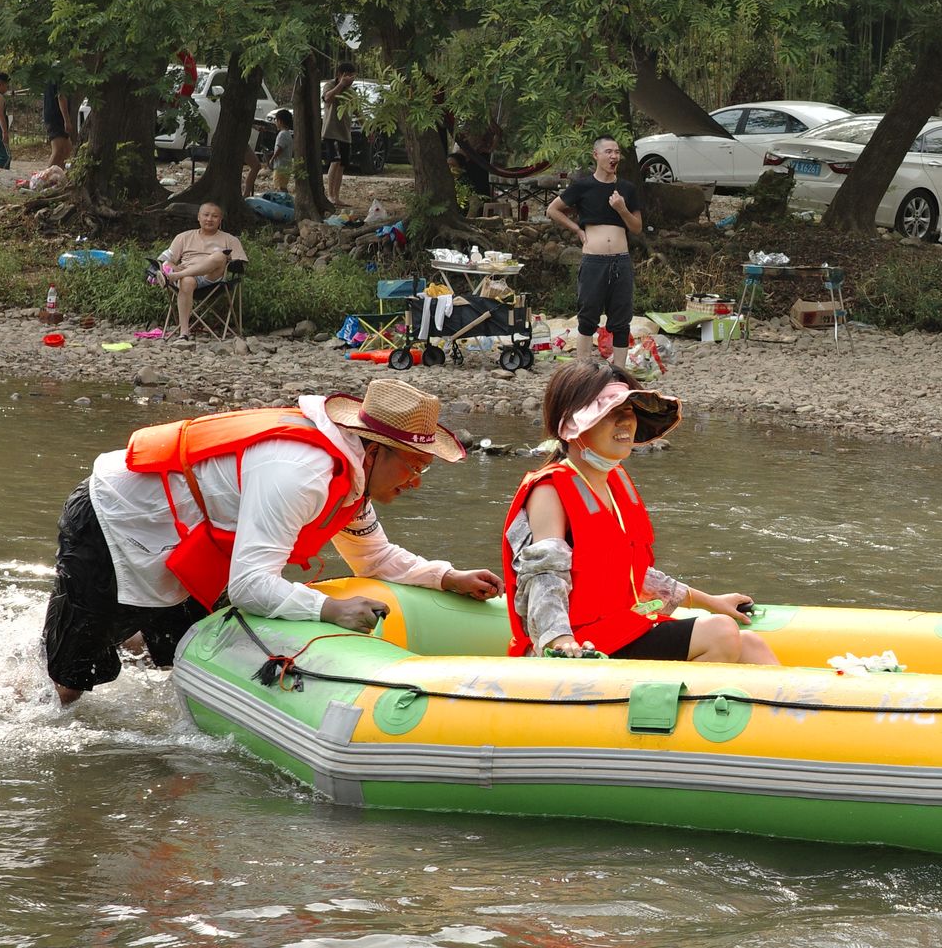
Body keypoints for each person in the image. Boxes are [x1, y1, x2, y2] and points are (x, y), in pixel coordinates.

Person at [41, 379, 504, 707]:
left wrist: (446, 577)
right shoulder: (303, 474)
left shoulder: (351, 480)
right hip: (115, 520)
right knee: (70, 682)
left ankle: (129, 636)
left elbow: (375, 557)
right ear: (375, 450)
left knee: (170, 648)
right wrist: (331, 609)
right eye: (415, 466)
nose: (417, 482)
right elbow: (249, 585)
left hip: (184, 537)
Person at [502, 361, 775, 664]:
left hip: (621, 626)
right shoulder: (549, 491)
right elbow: (544, 577)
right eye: (611, 413)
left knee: (752, 646)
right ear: (572, 425)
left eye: (629, 411)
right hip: (582, 644)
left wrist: (711, 602)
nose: (626, 422)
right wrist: (561, 642)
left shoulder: (614, 482)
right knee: (721, 632)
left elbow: (631, 573)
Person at [545, 135, 643, 360]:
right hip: (593, 261)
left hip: (621, 261)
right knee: (588, 317)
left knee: (621, 320)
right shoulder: (583, 186)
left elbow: (637, 227)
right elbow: (553, 209)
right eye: (609, 151)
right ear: (596, 155)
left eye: (617, 152)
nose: (614, 156)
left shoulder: (627, 189)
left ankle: (619, 372)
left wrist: (621, 209)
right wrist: (577, 230)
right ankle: (583, 369)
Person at [148, 201, 247, 338]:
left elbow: (241, 265)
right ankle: (184, 333)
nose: (209, 219)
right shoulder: (183, 237)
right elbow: (163, 259)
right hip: (188, 279)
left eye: (214, 216)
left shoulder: (230, 240)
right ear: (198, 217)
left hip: (213, 278)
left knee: (219, 256)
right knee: (186, 281)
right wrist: (173, 266)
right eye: (206, 215)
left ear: (220, 219)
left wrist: (229, 261)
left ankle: (174, 276)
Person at [320, 61, 357, 206]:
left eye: (352, 77)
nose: (350, 79)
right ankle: (330, 195)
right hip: (331, 131)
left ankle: (336, 195)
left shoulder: (352, 92)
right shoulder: (330, 86)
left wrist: (368, 127)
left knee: (342, 165)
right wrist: (341, 84)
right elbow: (327, 98)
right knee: (335, 161)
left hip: (345, 133)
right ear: (340, 75)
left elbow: (357, 111)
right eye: (347, 76)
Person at [41, 78, 73, 168]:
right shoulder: (61, 73)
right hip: (56, 116)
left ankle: (58, 177)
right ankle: (44, 180)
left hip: (54, 115)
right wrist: (67, 120)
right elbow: (61, 97)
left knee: (67, 150)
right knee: (58, 150)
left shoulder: (54, 72)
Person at [265, 109, 295, 191]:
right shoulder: (288, 134)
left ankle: (283, 201)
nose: (275, 122)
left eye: (276, 120)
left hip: (280, 166)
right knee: (283, 186)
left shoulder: (282, 134)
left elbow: (280, 148)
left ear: (280, 121)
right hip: (286, 166)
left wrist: (272, 158)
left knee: (279, 187)